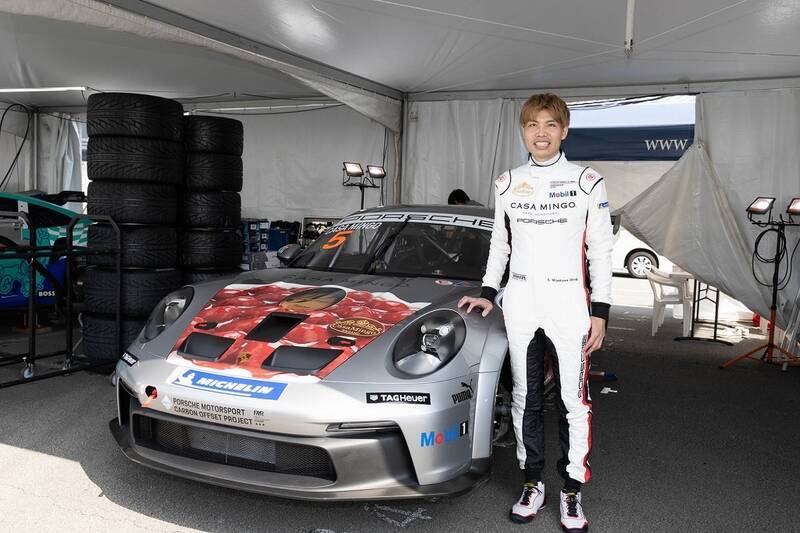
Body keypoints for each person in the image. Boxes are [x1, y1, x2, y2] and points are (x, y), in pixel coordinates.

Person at [458, 93, 612, 531]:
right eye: (532, 125)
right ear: (523, 131)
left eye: (549, 124)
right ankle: (532, 482)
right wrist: (488, 291)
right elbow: (500, 244)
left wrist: (600, 311)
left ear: (564, 130)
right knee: (525, 398)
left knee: (572, 400)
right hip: (522, 303)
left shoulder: (587, 181)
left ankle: (572, 490)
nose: (540, 133)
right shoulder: (508, 182)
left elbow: (601, 249)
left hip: (570, 305)